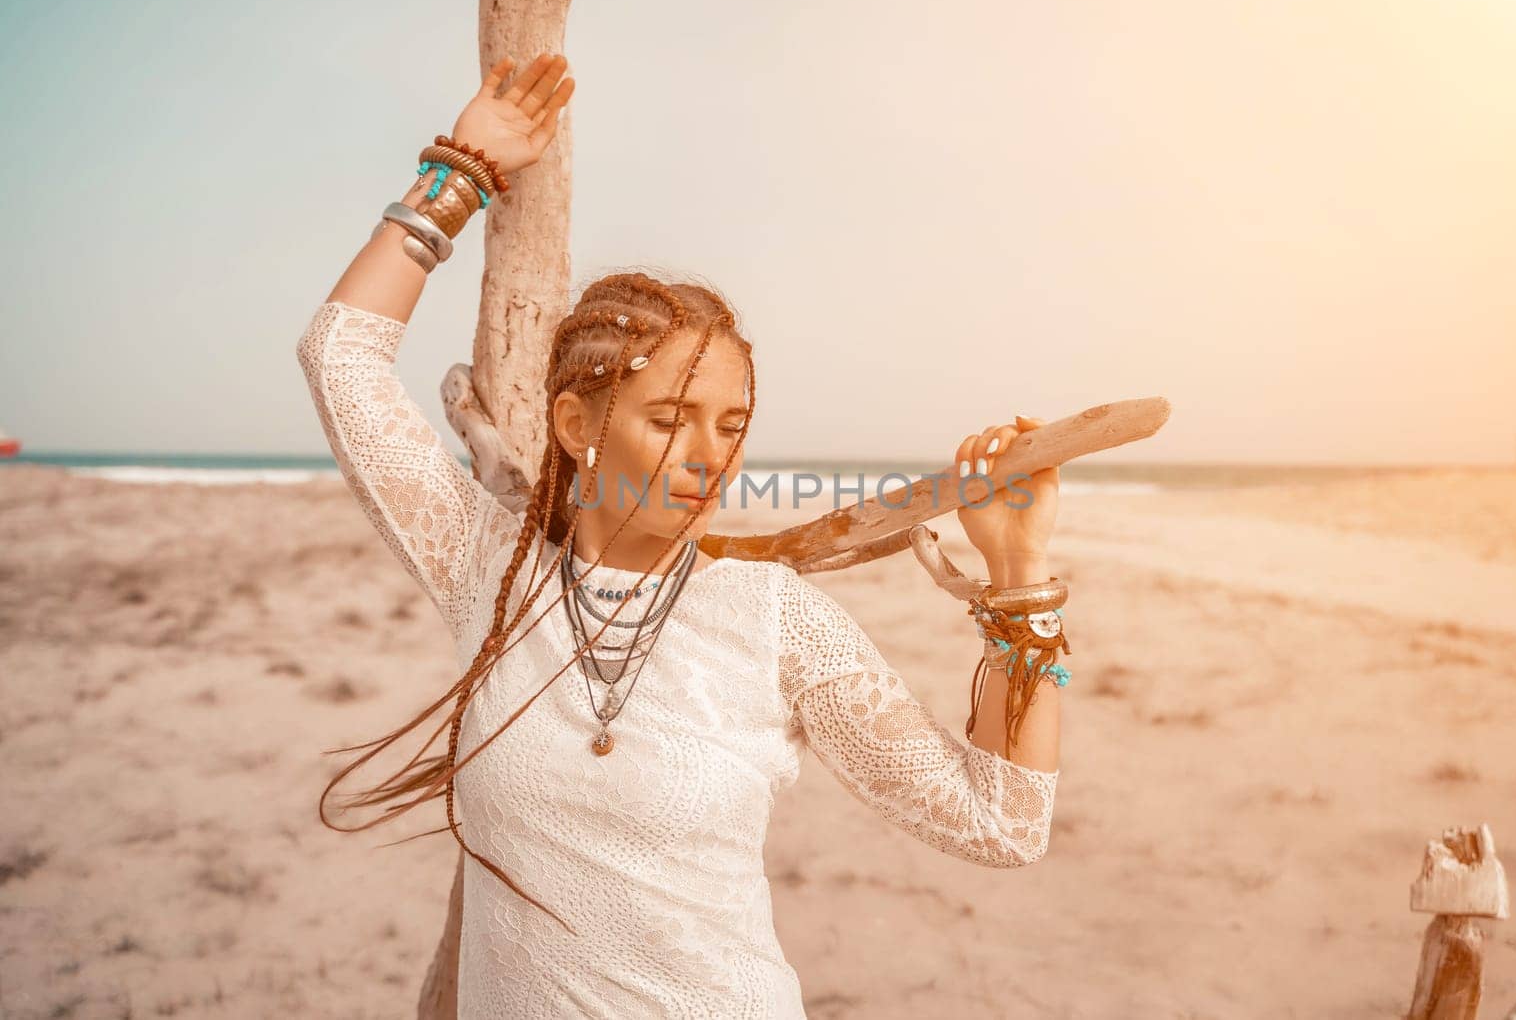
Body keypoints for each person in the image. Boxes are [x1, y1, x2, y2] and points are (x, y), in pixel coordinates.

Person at [295, 52, 1069, 1019]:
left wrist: (1020, 579)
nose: (708, 456)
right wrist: (461, 173)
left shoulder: (777, 621)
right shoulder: (486, 569)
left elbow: (1001, 823)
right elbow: (341, 360)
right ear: (578, 428)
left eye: (731, 425)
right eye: (668, 418)